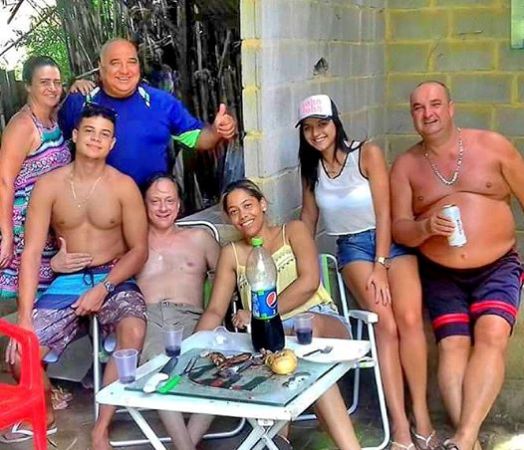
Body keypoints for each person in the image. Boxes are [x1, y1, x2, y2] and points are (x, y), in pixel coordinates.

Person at [4, 103, 148, 450]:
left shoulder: (124, 186)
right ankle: (46, 415)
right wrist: (24, 319)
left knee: (132, 332)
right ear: (74, 134)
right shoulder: (49, 186)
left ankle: (101, 428)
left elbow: (139, 250)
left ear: (112, 143)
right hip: (67, 283)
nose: (96, 139)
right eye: (89, 131)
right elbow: (31, 254)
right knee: (20, 354)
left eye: (104, 134)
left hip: (113, 278)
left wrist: (105, 287)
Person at [297, 95, 437, 450]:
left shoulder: (366, 153)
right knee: (384, 323)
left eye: (322, 124)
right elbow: (308, 220)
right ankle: (400, 426)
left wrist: (381, 264)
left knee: (410, 319)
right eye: (308, 128)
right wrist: (294, 258)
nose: (316, 133)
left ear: (336, 123)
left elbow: (385, 211)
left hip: (390, 242)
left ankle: (422, 419)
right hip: (352, 248)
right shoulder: (311, 170)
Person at [390, 81, 524, 450]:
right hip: (441, 271)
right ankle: (471, 443)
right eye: (418, 108)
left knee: (492, 334)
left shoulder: (493, 146)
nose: (428, 114)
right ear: (412, 115)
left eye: (435, 104)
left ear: (451, 108)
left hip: (498, 265)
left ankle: (463, 439)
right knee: (452, 345)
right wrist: (424, 228)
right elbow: (399, 228)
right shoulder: (406, 166)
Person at [195, 178, 362, 450]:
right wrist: (193, 346)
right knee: (291, 360)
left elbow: (309, 282)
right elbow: (215, 309)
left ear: (262, 204)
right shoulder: (232, 254)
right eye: (234, 211)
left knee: (306, 332)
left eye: (248, 205)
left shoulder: (293, 231)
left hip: (320, 323)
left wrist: (259, 314)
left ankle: (280, 439)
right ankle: (282, 442)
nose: (242, 215)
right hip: (274, 341)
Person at [59, 37, 236, 187]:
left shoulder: (162, 103)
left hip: (152, 208)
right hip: (98, 209)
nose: (125, 70)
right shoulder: (80, 102)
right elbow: (55, 151)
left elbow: (196, 138)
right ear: (101, 67)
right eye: (115, 63)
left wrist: (216, 131)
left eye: (131, 62)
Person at [137, 174, 219, 450]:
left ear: (179, 204)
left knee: (217, 370)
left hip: (193, 318)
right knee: (158, 365)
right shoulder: (133, 241)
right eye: (155, 201)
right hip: (149, 318)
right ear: (144, 204)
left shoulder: (200, 238)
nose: (163, 208)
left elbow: (229, 277)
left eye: (169, 200)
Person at [0, 56, 71, 315]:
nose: (52, 88)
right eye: (44, 82)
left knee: (46, 301)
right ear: (28, 86)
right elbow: (4, 181)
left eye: (57, 82)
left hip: (48, 224)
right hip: (27, 226)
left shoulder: (52, 119)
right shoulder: (23, 126)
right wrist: (7, 235)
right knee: (29, 300)